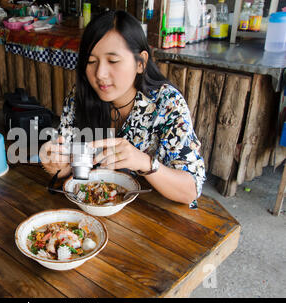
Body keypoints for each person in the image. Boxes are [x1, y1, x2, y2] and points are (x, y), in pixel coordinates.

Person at [39, 10, 206, 207]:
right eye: (91, 61)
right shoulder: (80, 96)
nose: (100, 74)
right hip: (92, 209)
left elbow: (190, 191)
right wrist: (56, 164)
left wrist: (144, 162)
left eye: (113, 61)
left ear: (140, 63)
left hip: (155, 216)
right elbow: (68, 164)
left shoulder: (167, 103)